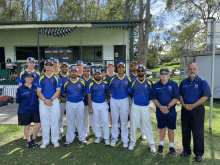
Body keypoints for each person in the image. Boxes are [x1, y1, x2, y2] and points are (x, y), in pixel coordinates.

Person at [179, 63, 211, 162]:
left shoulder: (202, 82)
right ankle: (186, 150)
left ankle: (198, 154)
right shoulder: (183, 82)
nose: (192, 71)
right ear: (187, 71)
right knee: (185, 131)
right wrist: (184, 104)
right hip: (185, 110)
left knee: (198, 132)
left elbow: (205, 97)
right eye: (190, 69)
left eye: (194, 69)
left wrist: (193, 105)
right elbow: (179, 94)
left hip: (197, 110)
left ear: (197, 70)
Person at [127, 64, 156, 153]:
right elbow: (130, 93)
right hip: (135, 106)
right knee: (133, 125)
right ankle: (132, 141)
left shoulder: (149, 82)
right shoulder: (133, 82)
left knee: (147, 125)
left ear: (145, 71)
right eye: (139, 71)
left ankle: (151, 143)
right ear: (137, 71)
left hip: (145, 106)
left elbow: (152, 94)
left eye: (142, 70)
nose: (140, 72)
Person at [152, 68, 179, 156]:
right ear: (160, 75)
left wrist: (167, 107)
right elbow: (154, 98)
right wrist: (160, 107)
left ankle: (171, 146)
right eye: (162, 74)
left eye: (166, 74)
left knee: (171, 128)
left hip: (171, 111)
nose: (164, 76)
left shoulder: (174, 84)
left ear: (169, 75)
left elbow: (176, 98)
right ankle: (161, 145)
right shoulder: (156, 85)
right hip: (160, 111)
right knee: (162, 128)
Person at [37, 59, 62, 149]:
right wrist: (45, 100)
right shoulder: (40, 77)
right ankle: (45, 141)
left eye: (50, 64)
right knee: (44, 122)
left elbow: (58, 91)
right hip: (43, 101)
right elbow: (38, 91)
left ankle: (55, 140)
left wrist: (50, 100)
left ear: (53, 66)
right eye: (46, 64)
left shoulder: (56, 77)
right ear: (44, 66)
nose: (48, 66)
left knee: (55, 121)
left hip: (53, 101)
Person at [62, 66, 87, 147]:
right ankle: (69, 139)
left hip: (80, 103)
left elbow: (85, 92)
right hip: (70, 103)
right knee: (70, 121)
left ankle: (82, 138)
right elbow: (63, 93)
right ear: (70, 73)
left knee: (80, 120)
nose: (73, 73)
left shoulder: (82, 81)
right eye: (72, 71)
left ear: (77, 72)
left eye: (75, 71)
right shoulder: (66, 82)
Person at [17, 57, 41, 140]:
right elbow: (20, 85)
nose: (31, 64)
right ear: (27, 63)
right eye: (30, 62)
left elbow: (39, 84)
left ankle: (36, 133)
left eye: (33, 62)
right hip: (26, 96)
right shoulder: (22, 73)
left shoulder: (37, 73)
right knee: (26, 117)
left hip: (35, 95)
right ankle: (26, 134)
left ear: (34, 63)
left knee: (36, 116)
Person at [108, 62, 131, 148]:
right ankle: (114, 137)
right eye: (119, 67)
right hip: (114, 100)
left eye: (122, 67)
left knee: (124, 121)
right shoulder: (112, 78)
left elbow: (130, 90)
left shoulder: (128, 78)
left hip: (124, 100)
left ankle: (125, 139)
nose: (121, 69)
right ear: (117, 68)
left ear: (125, 68)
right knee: (114, 120)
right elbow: (108, 89)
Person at [87, 69, 110, 145]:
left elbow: (109, 91)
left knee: (105, 121)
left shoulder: (105, 83)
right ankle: (98, 136)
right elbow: (89, 96)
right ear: (93, 75)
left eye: (98, 74)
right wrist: (90, 108)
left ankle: (106, 138)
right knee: (96, 122)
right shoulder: (91, 84)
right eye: (95, 74)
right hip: (94, 104)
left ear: (101, 75)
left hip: (103, 104)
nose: (97, 75)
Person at [129, 61, 147, 141]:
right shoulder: (129, 77)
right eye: (132, 66)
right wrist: (133, 97)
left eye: (135, 65)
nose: (134, 67)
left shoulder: (144, 77)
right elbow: (129, 90)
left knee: (142, 117)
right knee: (133, 117)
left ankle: (143, 133)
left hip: (143, 100)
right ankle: (133, 133)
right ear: (130, 68)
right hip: (132, 100)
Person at [58, 62, 70, 140]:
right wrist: (61, 97)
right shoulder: (57, 76)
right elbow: (55, 88)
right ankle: (59, 132)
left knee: (70, 118)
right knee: (60, 117)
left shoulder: (71, 75)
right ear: (60, 68)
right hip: (60, 100)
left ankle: (70, 133)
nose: (64, 68)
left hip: (70, 100)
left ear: (68, 68)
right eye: (63, 67)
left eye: (66, 67)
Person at [102, 62, 115, 129]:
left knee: (115, 114)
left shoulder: (117, 76)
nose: (110, 68)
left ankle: (118, 129)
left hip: (115, 98)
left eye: (112, 67)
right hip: (107, 98)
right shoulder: (104, 77)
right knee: (109, 114)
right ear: (107, 68)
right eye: (109, 67)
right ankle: (112, 127)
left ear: (114, 68)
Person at [82, 65, 94, 137]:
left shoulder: (93, 79)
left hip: (92, 101)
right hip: (83, 101)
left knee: (94, 117)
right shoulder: (80, 79)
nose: (86, 72)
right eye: (85, 70)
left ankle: (95, 130)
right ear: (83, 71)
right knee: (85, 117)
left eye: (88, 71)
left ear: (90, 72)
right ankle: (86, 131)